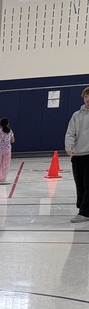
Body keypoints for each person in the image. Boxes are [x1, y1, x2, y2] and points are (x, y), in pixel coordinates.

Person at [65, 87, 89, 223]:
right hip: (78, 155)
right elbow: (70, 133)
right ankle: (82, 208)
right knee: (79, 184)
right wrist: (69, 148)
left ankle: (85, 212)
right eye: (86, 96)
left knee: (88, 184)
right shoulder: (77, 115)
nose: (88, 99)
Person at [0, 118, 15, 185]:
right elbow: (13, 141)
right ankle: (3, 179)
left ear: (0, 124)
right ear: (8, 124)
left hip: (0, 149)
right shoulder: (10, 131)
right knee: (6, 164)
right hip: (8, 149)